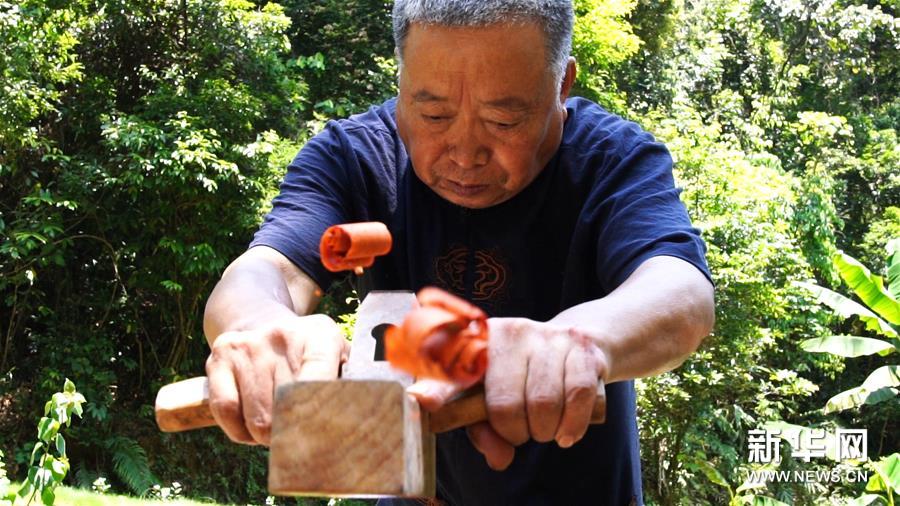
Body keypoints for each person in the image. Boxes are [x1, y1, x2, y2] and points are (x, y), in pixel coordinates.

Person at [202, 0, 715, 504]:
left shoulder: (611, 160)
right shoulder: (353, 157)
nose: (465, 154)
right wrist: (256, 325)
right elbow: (268, 269)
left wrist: (581, 340)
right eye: (434, 114)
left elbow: (680, 290)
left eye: (503, 121)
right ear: (401, 81)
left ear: (562, 84)